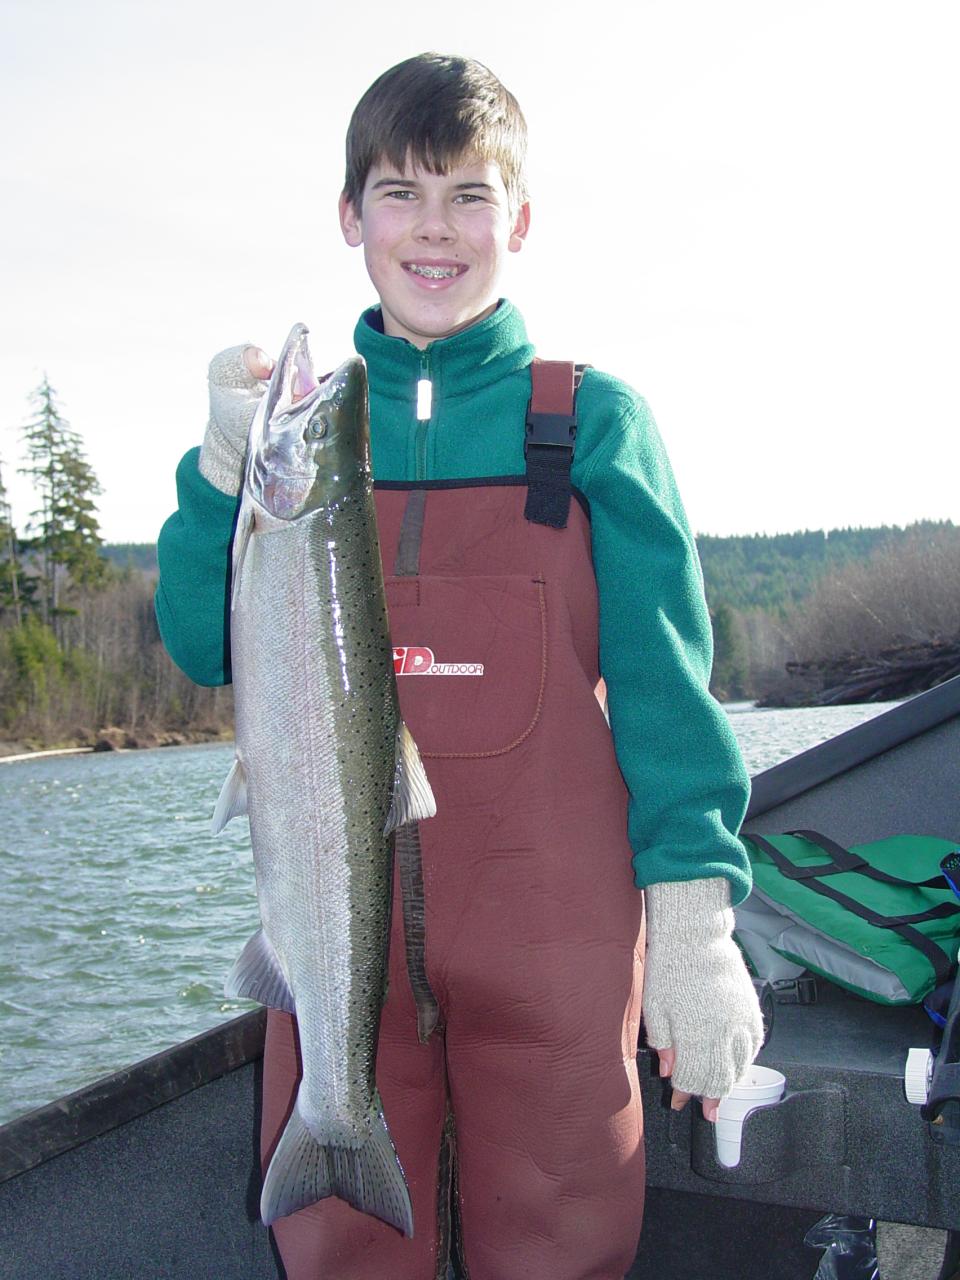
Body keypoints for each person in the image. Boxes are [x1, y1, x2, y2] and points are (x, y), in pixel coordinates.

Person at [156, 52, 763, 1280]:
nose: (435, 230)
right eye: (400, 193)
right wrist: (221, 475)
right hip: (338, 951)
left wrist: (698, 920)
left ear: (520, 220)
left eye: (470, 197)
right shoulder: (306, 432)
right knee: (343, 1247)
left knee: (562, 1238)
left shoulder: (590, 420)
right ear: (350, 217)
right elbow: (203, 639)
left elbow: (665, 685)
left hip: (555, 949)